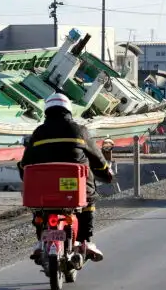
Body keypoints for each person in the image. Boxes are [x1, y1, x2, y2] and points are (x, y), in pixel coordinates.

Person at [19, 93, 114, 263]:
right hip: (73, 189)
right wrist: (106, 172)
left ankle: (42, 239)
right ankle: (85, 240)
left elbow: (25, 163)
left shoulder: (38, 132)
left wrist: (25, 178)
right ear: (68, 111)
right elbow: (97, 159)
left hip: (45, 190)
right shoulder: (79, 131)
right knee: (88, 200)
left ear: (47, 111)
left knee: (39, 210)